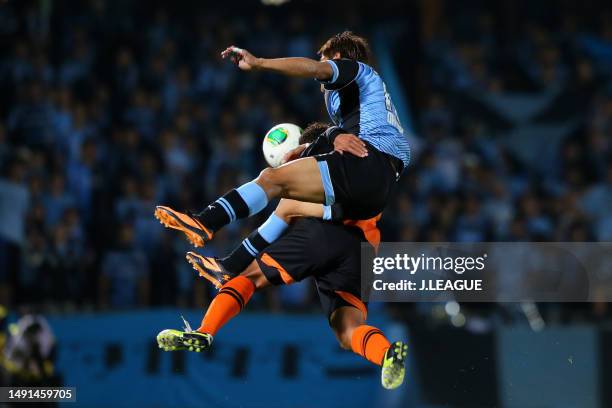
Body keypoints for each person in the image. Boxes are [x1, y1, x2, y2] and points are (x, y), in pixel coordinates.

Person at [154, 31, 409, 247]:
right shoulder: (365, 101)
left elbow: (313, 69)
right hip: (378, 189)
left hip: (367, 165)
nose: (320, 61)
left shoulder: (353, 70)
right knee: (288, 201)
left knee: (271, 179)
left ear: (338, 58)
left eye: (324, 56)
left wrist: (259, 63)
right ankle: (231, 266)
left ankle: (206, 222)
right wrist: (316, 144)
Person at [157, 214, 407, 391]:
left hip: (321, 230)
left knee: (249, 278)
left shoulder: (322, 156)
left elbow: (287, 205)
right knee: (347, 329)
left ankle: (205, 332)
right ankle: (386, 354)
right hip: (362, 247)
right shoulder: (383, 163)